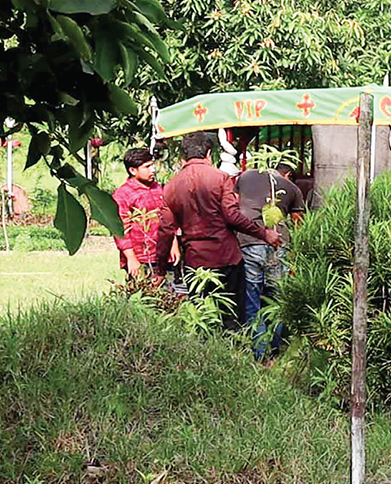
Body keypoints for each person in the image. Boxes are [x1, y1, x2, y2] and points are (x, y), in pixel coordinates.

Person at [153, 131, 282, 331]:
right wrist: (264, 233)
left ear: (182, 158)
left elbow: (165, 231)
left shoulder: (170, 187)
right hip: (226, 258)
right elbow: (232, 216)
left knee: (203, 318)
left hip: (196, 262)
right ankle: (234, 358)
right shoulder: (220, 179)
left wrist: (161, 269)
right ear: (209, 154)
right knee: (232, 318)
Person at [235, 162, 305, 358]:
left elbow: (235, 203)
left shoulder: (245, 176)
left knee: (252, 299)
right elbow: (298, 224)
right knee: (276, 301)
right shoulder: (292, 188)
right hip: (278, 246)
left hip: (248, 243)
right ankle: (274, 352)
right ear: (287, 174)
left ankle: (258, 353)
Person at [112, 148, 179, 278]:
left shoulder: (158, 189)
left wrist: (173, 243)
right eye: (147, 167)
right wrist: (131, 258)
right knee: (143, 294)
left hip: (163, 254)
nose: (153, 170)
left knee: (169, 293)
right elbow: (120, 230)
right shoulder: (123, 195)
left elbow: (168, 219)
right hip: (140, 257)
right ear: (133, 170)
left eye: (152, 165)